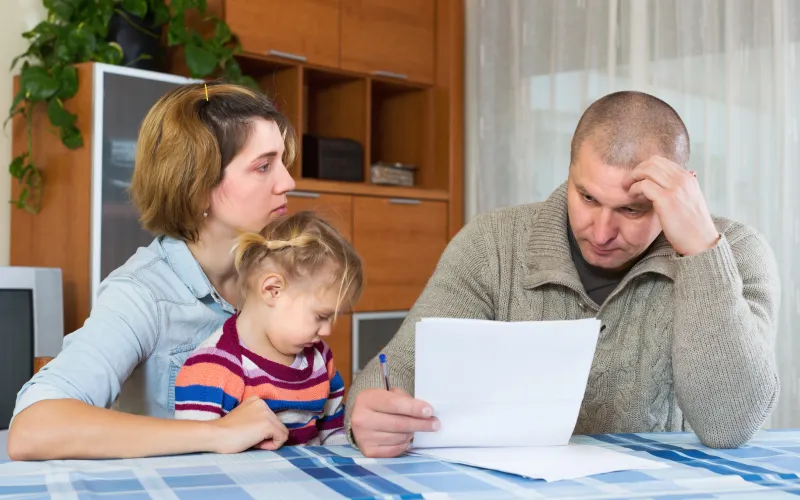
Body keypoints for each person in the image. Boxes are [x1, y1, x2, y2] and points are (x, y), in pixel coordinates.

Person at [345, 90, 781, 458]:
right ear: (570, 172)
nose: (603, 231)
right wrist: (369, 416)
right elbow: (390, 376)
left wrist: (703, 251)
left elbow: (731, 425)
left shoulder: (737, 252)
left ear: (682, 189)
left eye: (632, 209)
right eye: (588, 197)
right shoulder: (491, 244)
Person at [8, 82, 300, 460]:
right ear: (197, 187)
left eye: (282, 162)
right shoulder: (142, 294)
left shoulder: (284, 273)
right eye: (263, 166)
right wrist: (213, 433)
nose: (288, 182)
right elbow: (33, 429)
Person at [173, 211, 363, 448]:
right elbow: (196, 452)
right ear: (273, 290)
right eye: (320, 316)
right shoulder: (213, 368)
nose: (326, 331)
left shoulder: (321, 360)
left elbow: (334, 434)